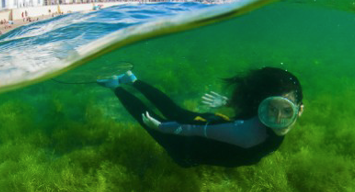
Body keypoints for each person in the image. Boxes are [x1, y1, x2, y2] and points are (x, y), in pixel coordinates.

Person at [97, 67, 304, 167]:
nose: (278, 119)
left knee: (173, 110)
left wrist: (229, 103)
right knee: (152, 121)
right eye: (272, 109)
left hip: (216, 126)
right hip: (194, 143)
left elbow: (255, 107)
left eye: (287, 111)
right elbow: (195, 130)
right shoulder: (248, 135)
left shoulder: (260, 115)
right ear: (263, 107)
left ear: (299, 110)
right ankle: (116, 85)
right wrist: (161, 128)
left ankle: (132, 80)